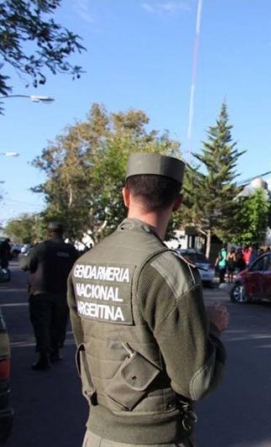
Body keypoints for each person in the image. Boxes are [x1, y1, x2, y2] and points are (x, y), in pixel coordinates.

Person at [67, 153, 229, 446]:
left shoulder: (84, 264)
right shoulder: (166, 270)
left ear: (125, 196)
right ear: (177, 203)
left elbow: (85, 346)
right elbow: (196, 382)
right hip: (153, 438)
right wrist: (213, 330)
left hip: (97, 434)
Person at [20, 222, 79, 370]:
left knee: (42, 325)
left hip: (41, 293)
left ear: (49, 233)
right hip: (63, 294)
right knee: (59, 324)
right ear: (62, 233)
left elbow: (25, 265)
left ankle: (44, 356)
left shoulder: (42, 248)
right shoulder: (71, 250)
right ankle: (55, 351)